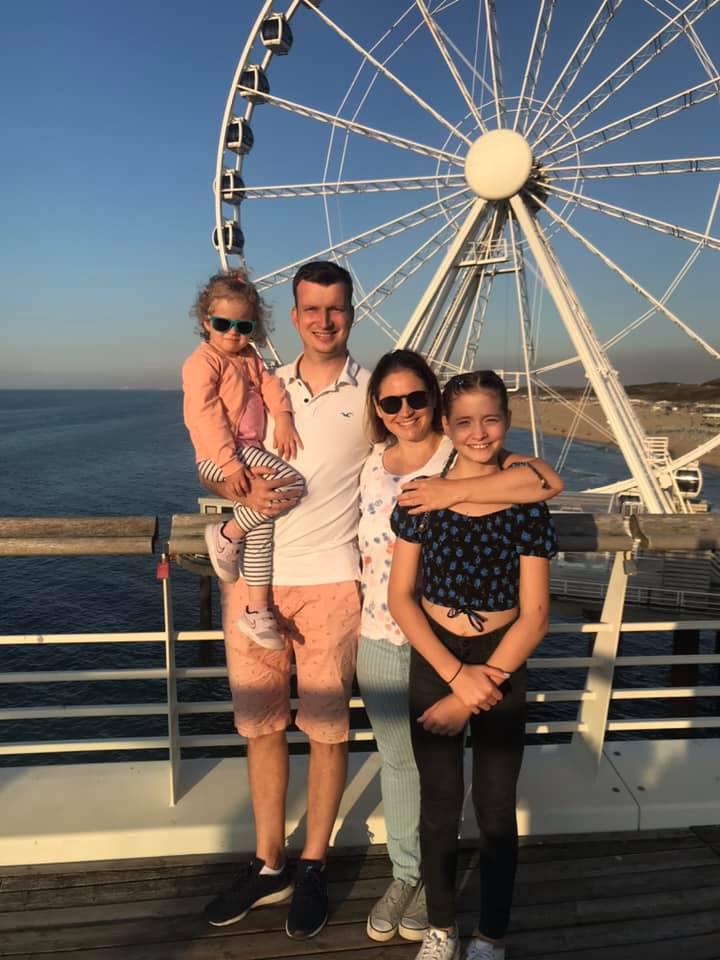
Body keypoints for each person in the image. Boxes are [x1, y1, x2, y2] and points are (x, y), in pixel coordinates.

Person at [357, 352, 562, 946]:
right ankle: (441, 927)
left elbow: (536, 614)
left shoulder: (526, 504)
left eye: (491, 419)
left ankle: (491, 935)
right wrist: (456, 677)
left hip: (503, 653)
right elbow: (402, 598)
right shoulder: (420, 499)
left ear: (507, 422)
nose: (478, 432)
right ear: (447, 425)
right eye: (465, 421)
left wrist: (478, 683)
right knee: (439, 806)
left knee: (496, 806)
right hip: (436, 656)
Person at [201, 261, 372, 940]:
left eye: (336, 308)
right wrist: (235, 493)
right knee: (261, 727)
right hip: (253, 584)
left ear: (351, 312)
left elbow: (424, 454)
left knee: (327, 732)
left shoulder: (373, 395)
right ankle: (269, 862)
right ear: (294, 315)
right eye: (311, 309)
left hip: (332, 583)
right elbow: (215, 452)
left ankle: (313, 865)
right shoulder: (255, 379)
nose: (324, 321)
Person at [182, 269, 305, 649]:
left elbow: (271, 385)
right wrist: (231, 465)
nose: (233, 333)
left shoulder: (249, 358)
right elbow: (206, 416)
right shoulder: (203, 362)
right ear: (206, 322)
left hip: (246, 452)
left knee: (262, 526)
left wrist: (283, 416)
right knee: (292, 484)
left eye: (244, 326)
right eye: (223, 324)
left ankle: (256, 609)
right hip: (224, 454)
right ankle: (227, 533)